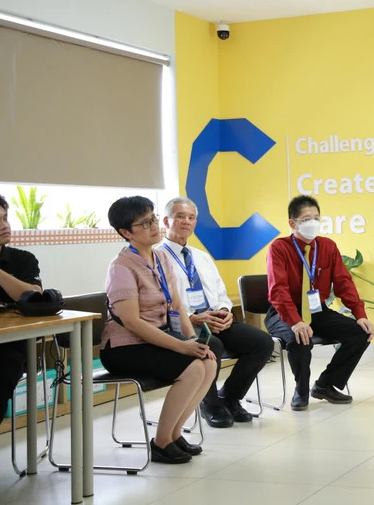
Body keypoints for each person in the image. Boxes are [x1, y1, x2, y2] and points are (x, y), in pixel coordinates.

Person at [101, 196, 216, 464]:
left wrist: (192, 341)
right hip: (124, 347)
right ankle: (161, 442)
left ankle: (174, 434)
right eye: (145, 223)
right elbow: (131, 322)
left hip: (155, 337)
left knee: (208, 362)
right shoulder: (121, 266)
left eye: (153, 219)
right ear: (126, 232)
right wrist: (181, 346)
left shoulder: (161, 257)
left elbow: (176, 304)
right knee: (194, 368)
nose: (154, 226)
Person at [159, 197, 274, 427]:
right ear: (166, 221)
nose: (186, 222)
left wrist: (224, 310)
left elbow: (220, 292)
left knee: (262, 342)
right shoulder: (156, 257)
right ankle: (209, 403)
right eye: (180, 216)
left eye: (191, 218)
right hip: (185, 325)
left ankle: (229, 397)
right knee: (212, 345)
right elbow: (158, 302)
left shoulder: (201, 256)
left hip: (214, 320)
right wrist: (192, 318)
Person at [265, 195, 374, 410]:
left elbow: (344, 282)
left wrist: (360, 314)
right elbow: (278, 290)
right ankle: (301, 390)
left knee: (359, 333)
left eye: (316, 217)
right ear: (292, 223)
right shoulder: (279, 248)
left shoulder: (327, 246)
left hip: (317, 310)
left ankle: (325, 384)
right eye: (306, 219)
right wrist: (295, 321)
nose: (313, 223)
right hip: (284, 312)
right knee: (300, 338)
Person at [0, 194, 43, 493]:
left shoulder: (22, 259)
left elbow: (33, 296)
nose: (4, 225)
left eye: (4, 218)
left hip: (7, 349)